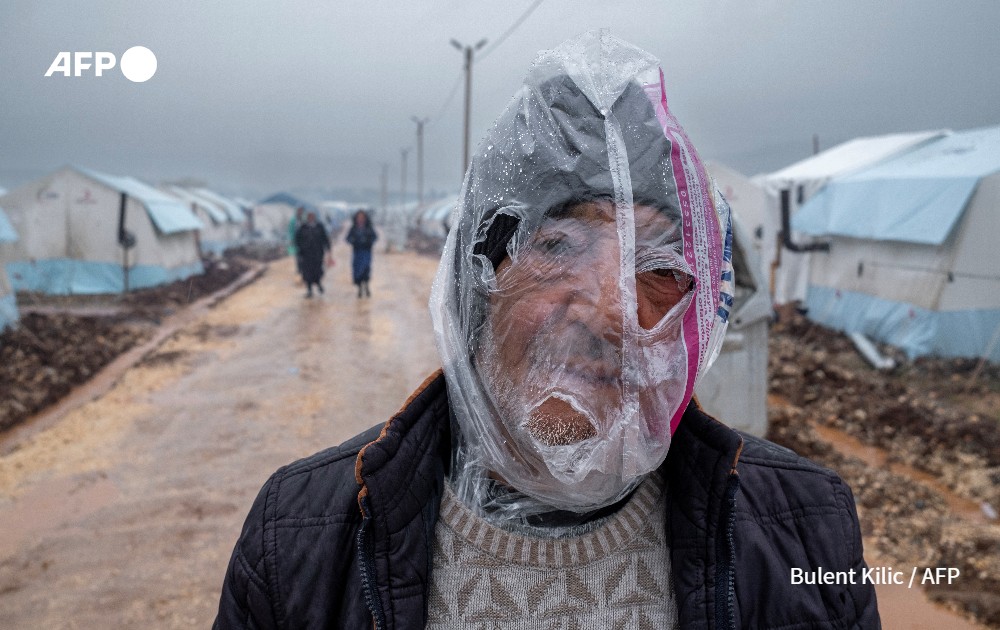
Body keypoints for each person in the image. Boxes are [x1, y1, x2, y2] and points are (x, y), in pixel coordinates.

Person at [215, 32, 879, 629]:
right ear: (477, 282)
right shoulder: (301, 543)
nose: (613, 310)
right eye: (560, 244)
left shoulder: (806, 534)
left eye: (657, 266)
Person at [294, 210, 331, 298]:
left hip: (317, 254)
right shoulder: (303, 227)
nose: (310, 217)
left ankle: (318, 284)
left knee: (318, 270)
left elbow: (325, 238)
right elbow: (297, 239)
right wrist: (300, 249)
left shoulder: (319, 227)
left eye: (312, 216)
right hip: (306, 254)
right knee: (307, 272)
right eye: (309, 216)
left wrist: (328, 248)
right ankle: (309, 290)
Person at [345, 209, 377, 297]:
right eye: (359, 217)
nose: (360, 219)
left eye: (362, 217)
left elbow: (375, 237)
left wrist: (369, 242)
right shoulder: (354, 228)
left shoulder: (369, 228)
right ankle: (359, 289)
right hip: (357, 252)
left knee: (366, 269)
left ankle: (366, 286)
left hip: (366, 252)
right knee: (358, 270)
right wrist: (353, 241)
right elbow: (348, 238)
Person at [287, 206, 306, 283]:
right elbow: (291, 230)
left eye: (301, 210)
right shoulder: (293, 220)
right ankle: (299, 269)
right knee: (298, 256)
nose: (300, 212)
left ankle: (304, 269)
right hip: (297, 241)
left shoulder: (305, 219)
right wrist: (291, 239)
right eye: (299, 210)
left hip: (305, 241)